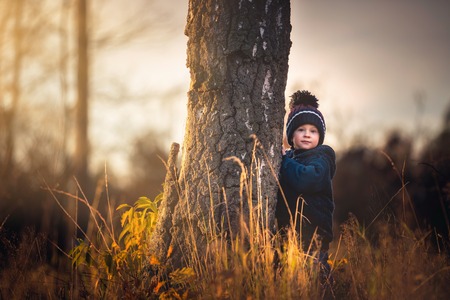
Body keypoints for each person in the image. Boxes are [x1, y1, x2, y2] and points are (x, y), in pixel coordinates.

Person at [275, 90, 336, 286]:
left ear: (321, 135)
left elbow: (308, 179)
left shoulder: (322, 158)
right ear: (291, 135)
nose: (307, 134)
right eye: (301, 129)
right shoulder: (289, 158)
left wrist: (284, 161)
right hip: (288, 236)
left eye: (313, 130)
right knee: (288, 280)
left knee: (315, 278)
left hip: (314, 237)